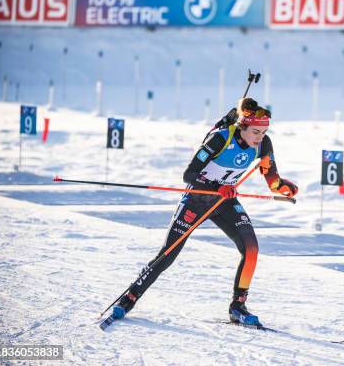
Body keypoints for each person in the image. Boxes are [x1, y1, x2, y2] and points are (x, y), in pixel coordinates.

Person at [112, 98, 298, 326]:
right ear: (243, 127)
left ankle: (238, 307)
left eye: (264, 132)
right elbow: (189, 175)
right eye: (256, 132)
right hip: (198, 198)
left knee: (251, 249)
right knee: (168, 254)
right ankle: (130, 297)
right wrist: (217, 187)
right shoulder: (220, 138)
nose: (260, 138)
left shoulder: (263, 144)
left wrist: (283, 187)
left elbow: (272, 177)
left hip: (225, 201)